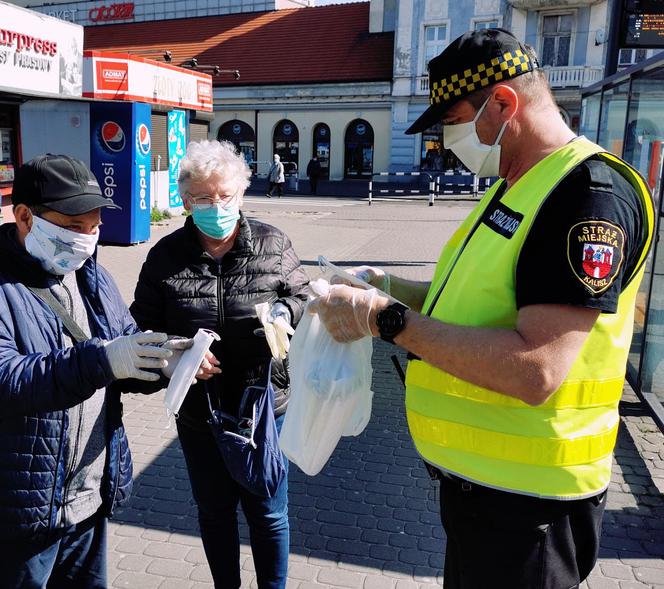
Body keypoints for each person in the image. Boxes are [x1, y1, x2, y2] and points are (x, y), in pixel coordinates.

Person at [309, 29, 655, 589]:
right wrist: (387, 285)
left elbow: (537, 368)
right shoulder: (515, 183)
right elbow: (470, 303)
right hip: (483, 493)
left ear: (502, 103)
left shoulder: (587, 196)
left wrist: (384, 320)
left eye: (453, 121)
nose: (447, 141)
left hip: (533, 507)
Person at [130, 140, 309, 589]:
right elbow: (141, 328)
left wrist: (287, 313)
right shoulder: (165, 255)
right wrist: (175, 354)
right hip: (200, 412)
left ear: (242, 192)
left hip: (265, 407)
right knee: (214, 513)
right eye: (204, 198)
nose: (216, 205)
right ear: (186, 201)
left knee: (268, 512)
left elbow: (304, 296)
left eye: (225, 195)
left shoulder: (273, 242)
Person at [0, 154, 179, 588]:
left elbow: (122, 346)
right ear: (25, 217)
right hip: (22, 512)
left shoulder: (91, 277)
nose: (87, 239)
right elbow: (8, 378)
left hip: (87, 499)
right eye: (74, 228)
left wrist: (163, 363)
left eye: (95, 226)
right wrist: (103, 360)